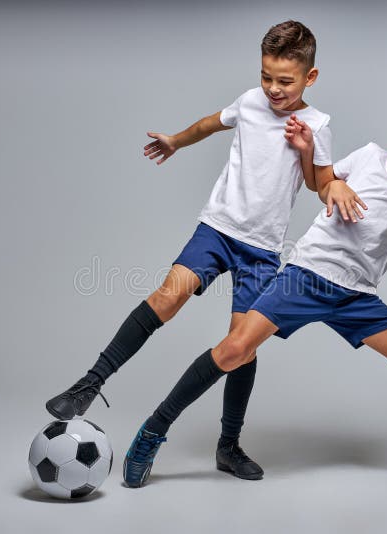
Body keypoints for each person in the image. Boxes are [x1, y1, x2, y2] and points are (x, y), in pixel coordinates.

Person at [122, 104, 387, 487]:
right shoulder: (368, 157)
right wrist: (323, 169)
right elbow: (318, 184)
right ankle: (153, 431)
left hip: (356, 295)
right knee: (234, 350)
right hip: (306, 276)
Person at [45, 21, 353, 481]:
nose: (272, 88)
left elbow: (318, 185)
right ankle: (90, 383)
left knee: (241, 347)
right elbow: (210, 125)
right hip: (218, 227)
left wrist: (310, 155)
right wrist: (175, 140)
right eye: (266, 75)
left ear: (310, 77)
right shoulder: (250, 102)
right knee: (166, 298)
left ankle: (228, 447)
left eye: (284, 81)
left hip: (263, 249)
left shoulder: (316, 125)